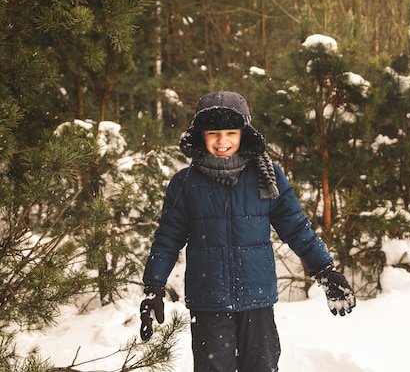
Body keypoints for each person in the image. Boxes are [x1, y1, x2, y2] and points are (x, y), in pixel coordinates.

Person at [139, 91, 356, 372]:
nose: (222, 141)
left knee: (261, 367)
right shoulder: (185, 183)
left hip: (257, 297)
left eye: (231, 132)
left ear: (244, 133)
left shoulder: (267, 175)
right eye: (213, 133)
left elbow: (296, 227)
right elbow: (167, 239)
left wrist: (324, 270)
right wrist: (154, 286)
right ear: (200, 135)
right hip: (209, 301)